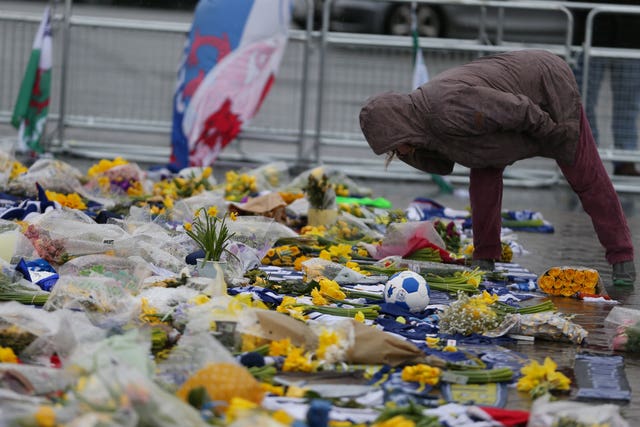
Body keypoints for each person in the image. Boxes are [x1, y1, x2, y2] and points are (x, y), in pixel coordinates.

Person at [359, 49, 636, 286]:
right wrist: (411, 151)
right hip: (518, 105)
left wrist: (554, 134)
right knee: (484, 177)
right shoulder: (422, 119)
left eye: (397, 147)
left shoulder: (445, 109)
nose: (400, 153)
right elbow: (443, 164)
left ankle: (622, 259)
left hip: (547, 86)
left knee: (585, 175)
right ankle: (485, 256)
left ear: (399, 126)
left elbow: (518, 109)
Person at [572, 2, 640, 176]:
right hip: (590, 34)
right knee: (582, 101)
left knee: (628, 103)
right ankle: (587, 157)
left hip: (631, 35)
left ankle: (624, 159)